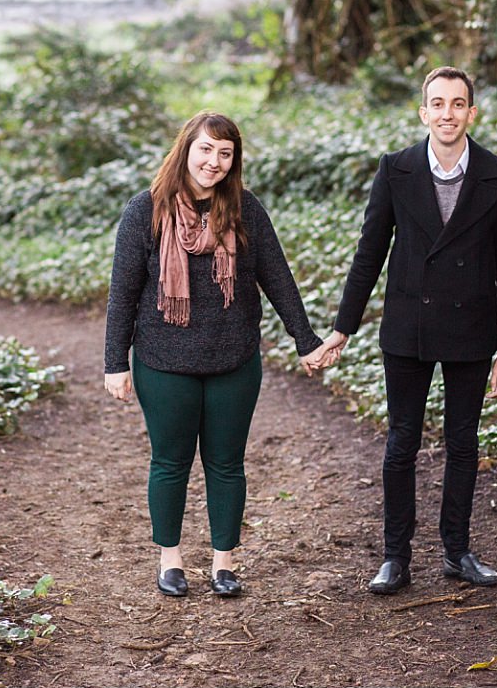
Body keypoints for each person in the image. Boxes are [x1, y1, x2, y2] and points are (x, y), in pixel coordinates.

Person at [104, 111, 334, 598]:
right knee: (170, 461)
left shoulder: (245, 210)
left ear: (234, 160)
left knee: (227, 463)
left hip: (234, 359)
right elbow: (122, 293)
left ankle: (223, 564)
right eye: (206, 150)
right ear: (186, 149)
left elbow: (277, 278)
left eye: (225, 153)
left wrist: (305, 340)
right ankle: (171, 561)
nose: (214, 162)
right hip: (164, 363)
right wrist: (114, 362)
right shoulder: (144, 211)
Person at [321, 66, 497, 595]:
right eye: (438, 104)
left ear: (471, 113)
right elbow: (369, 253)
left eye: (458, 104)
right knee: (401, 444)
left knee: (462, 443)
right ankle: (395, 557)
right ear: (423, 112)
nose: (447, 114)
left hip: (473, 328)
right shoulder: (396, 170)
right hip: (407, 327)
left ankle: (457, 551)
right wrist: (344, 327)